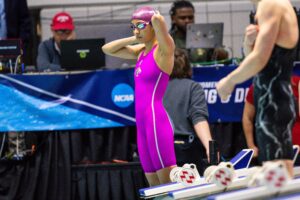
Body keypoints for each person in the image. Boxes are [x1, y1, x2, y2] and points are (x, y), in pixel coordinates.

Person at [216, 0, 299, 176]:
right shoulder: (273, 5)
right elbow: (260, 59)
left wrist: (229, 81)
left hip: (273, 101)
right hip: (273, 98)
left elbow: (260, 59)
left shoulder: (270, 4)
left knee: (278, 177)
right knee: (280, 173)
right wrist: (248, 43)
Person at [102, 7, 176, 186]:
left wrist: (156, 20)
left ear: (152, 26)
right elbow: (107, 49)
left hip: (156, 121)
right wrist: (137, 36)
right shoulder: (140, 52)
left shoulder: (163, 51)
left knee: (168, 186)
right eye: (133, 26)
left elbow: (162, 28)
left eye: (141, 26)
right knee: (154, 188)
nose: (136, 30)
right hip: (142, 124)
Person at [163, 48, 212, 175]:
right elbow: (198, 118)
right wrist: (209, 147)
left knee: (161, 191)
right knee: (190, 191)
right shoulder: (193, 87)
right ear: (187, 67)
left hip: (159, 150)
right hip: (185, 152)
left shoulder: (155, 88)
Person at [243, 80, 300, 160]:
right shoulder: (257, 88)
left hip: (296, 148)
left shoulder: (296, 83)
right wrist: (251, 146)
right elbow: (247, 117)